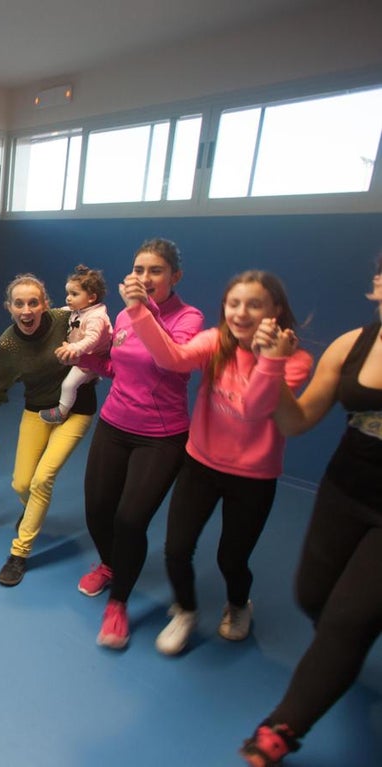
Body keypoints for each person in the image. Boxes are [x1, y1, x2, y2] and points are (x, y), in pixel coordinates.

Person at [121, 271, 312, 655]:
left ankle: (239, 605)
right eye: (234, 303)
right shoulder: (216, 341)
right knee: (176, 549)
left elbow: (255, 408)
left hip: (253, 476)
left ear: (276, 310)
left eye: (255, 304)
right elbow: (171, 357)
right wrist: (139, 310)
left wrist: (270, 360)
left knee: (232, 557)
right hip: (201, 465)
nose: (242, 312)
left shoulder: (295, 359)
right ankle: (186, 610)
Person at [239, 256, 382, 766]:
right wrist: (272, 366)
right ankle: (348, 642)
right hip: (346, 490)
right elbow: (296, 422)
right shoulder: (352, 345)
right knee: (314, 597)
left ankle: (282, 728)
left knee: (346, 618)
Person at [73, 238, 204, 649]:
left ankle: (119, 603)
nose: (146, 278)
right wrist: (81, 358)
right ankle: (112, 565)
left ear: (175, 276)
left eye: (156, 271)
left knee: (130, 521)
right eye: (140, 269)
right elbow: (117, 365)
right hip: (114, 424)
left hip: (161, 438)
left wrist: (140, 310)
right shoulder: (128, 316)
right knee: (97, 510)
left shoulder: (189, 318)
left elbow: (168, 358)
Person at [0, 274, 96, 587]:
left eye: (33, 302)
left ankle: (19, 553)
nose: (26, 310)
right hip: (38, 411)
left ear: (45, 304)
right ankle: (31, 515)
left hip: (76, 410)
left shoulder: (66, 319)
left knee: (42, 481)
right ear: (9, 308)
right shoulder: (8, 344)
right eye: (19, 304)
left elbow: (99, 329)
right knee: (21, 484)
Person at [39, 265, 112, 424]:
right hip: (81, 356)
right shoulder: (80, 309)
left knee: (68, 385)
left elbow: (92, 340)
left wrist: (74, 348)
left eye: (74, 294)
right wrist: (46, 312)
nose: (68, 298)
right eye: (68, 293)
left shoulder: (96, 317)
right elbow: (63, 311)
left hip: (91, 360)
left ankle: (61, 412)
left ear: (91, 298)